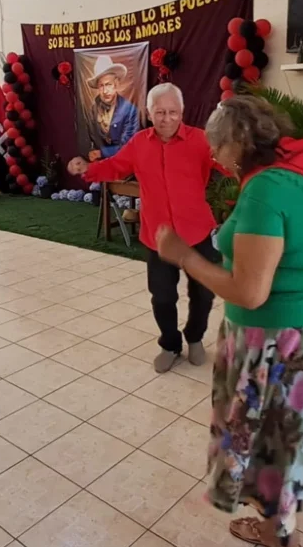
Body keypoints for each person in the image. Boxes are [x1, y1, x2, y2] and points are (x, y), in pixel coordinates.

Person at [155, 95, 303, 547]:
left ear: (238, 142)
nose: (218, 160)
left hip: (278, 345)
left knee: (273, 458)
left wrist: (185, 256)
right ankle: (273, 528)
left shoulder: (264, 192)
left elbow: (248, 293)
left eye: (219, 147)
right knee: (283, 443)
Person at [69, 83, 221, 373]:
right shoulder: (140, 143)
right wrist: (87, 169)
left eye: (172, 112)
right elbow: (114, 167)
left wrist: (246, 158)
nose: (166, 118)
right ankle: (170, 344)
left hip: (196, 232)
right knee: (162, 296)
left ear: (182, 112)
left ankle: (195, 337)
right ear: (149, 113)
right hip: (158, 236)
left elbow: (226, 163)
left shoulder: (201, 140)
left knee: (203, 293)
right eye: (160, 112)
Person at [85, 54, 141, 160]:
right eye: (101, 86)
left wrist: (102, 153)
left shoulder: (130, 110)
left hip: (124, 163)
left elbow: (129, 144)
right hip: (100, 164)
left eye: (109, 84)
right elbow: (91, 138)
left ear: (116, 84)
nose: (105, 91)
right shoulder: (93, 108)